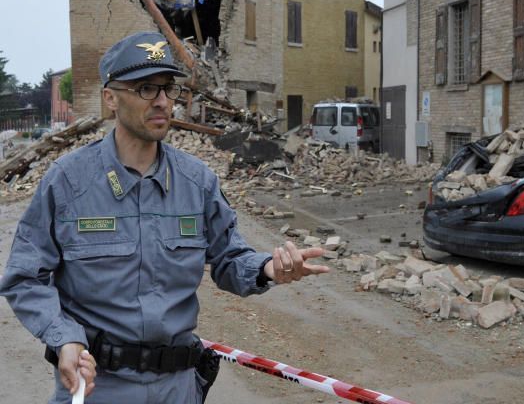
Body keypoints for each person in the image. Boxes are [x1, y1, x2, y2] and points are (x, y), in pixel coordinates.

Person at [0, 31, 329, 403]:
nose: (161, 101)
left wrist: (269, 267)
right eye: (145, 89)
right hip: (97, 387)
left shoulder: (197, 182)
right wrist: (64, 337)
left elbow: (230, 258)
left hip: (178, 388)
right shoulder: (68, 182)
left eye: (167, 89)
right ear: (110, 98)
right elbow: (25, 278)